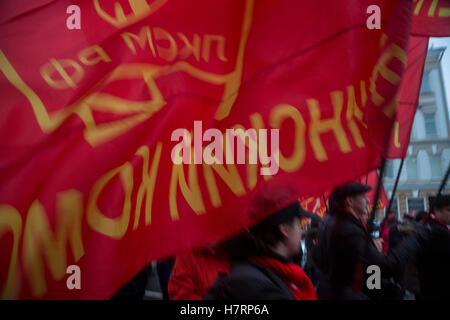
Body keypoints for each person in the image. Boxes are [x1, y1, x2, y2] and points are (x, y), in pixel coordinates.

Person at [205, 184, 317, 300]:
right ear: (284, 229)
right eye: (299, 224)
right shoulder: (253, 286)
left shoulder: (277, 272)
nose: (302, 231)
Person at [314, 182, 422, 300]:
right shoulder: (347, 230)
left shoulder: (331, 223)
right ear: (349, 201)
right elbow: (386, 267)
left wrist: (371, 248)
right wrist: (416, 237)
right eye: (363, 197)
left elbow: (364, 269)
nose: (368, 201)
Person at [412, 195, 450, 299]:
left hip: (427, 286)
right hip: (438, 288)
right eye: (448, 210)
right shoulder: (439, 232)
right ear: (437, 210)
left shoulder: (428, 226)